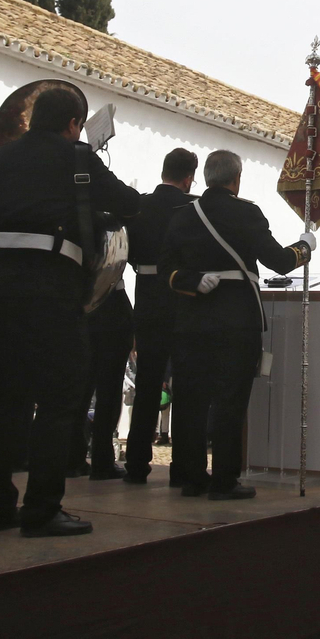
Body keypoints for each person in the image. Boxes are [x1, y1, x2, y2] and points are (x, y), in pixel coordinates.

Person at [0, 84, 140, 533]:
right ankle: (42, 508)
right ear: (72, 124)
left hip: (0, 287)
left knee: (5, 392)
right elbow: (128, 204)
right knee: (59, 395)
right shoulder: (77, 158)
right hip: (51, 286)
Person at [163, 149, 313, 499]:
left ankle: (192, 478)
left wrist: (190, 280)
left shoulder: (183, 215)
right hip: (236, 322)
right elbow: (279, 260)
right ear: (236, 179)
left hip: (192, 320)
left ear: (206, 178)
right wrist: (305, 248)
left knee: (191, 403)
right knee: (229, 403)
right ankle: (224, 481)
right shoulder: (247, 212)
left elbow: (166, 267)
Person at [123, 148, 196, 486]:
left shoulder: (140, 205)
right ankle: (183, 467)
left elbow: (128, 252)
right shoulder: (190, 207)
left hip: (147, 295)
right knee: (183, 382)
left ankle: (136, 463)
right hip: (181, 298)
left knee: (148, 383)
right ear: (188, 178)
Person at [73, 285, 134, 479]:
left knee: (80, 389)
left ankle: (73, 458)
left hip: (81, 303)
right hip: (111, 302)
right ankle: (102, 459)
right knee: (109, 390)